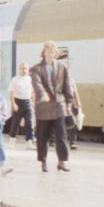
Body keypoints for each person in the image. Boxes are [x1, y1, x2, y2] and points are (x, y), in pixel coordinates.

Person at [30, 41, 73, 172]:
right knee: (43, 136)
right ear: (43, 53)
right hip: (43, 107)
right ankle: (43, 161)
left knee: (61, 134)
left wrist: (69, 103)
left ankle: (62, 162)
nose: (51, 54)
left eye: (53, 52)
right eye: (48, 51)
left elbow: (67, 85)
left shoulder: (62, 67)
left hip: (59, 104)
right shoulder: (36, 69)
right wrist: (43, 95)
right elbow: (37, 85)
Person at [8, 62, 36, 150]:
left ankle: (29, 142)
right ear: (19, 69)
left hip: (27, 102)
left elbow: (32, 92)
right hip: (18, 102)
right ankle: (12, 141)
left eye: (25, 68)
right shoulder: (15, 79)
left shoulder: (30, 79)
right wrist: (13, 103)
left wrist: (33, 103)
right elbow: (11, 92)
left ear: (28, 70)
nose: (24, 70)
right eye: (22, 68)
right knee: (16, 123)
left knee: (29, 122)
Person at [66, 78, 82, 150]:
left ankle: (72, 142)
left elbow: (75, 92)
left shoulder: (71, 80)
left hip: (71, 103)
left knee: (72, 122)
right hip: (61, 102)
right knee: (59, 122)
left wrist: (78, 102)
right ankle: (53, 139)